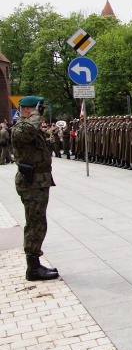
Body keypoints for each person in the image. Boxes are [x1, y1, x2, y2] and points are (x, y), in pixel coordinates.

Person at [12, 96, 59, 281]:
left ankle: (35, 264)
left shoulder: (30, 127)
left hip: (39, 182)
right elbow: (29, 130)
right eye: (37, 110)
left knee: (38, 223)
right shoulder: (21, 128)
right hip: (32, 183)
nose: (40, 115)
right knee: (35, 225)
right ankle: (33, 269)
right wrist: (36, 114)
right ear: (27, 110)